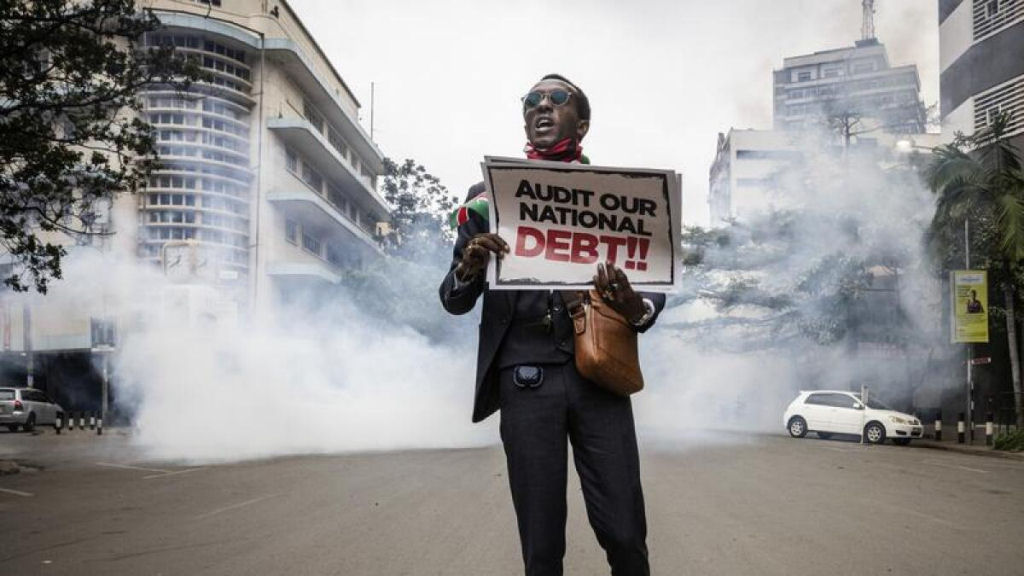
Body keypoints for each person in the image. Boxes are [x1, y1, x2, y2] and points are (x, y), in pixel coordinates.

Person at [438, 74, 666, 576]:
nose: (542, 106)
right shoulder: (487, 197)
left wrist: (634, 305)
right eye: (532, 100)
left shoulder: (616, 195)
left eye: (557, 99)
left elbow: (648, 285)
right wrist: (471, 265)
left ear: (581, 123)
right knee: (541, 548)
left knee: (626, 535)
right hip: (525, 379)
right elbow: (453, 300)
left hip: (599, 374)